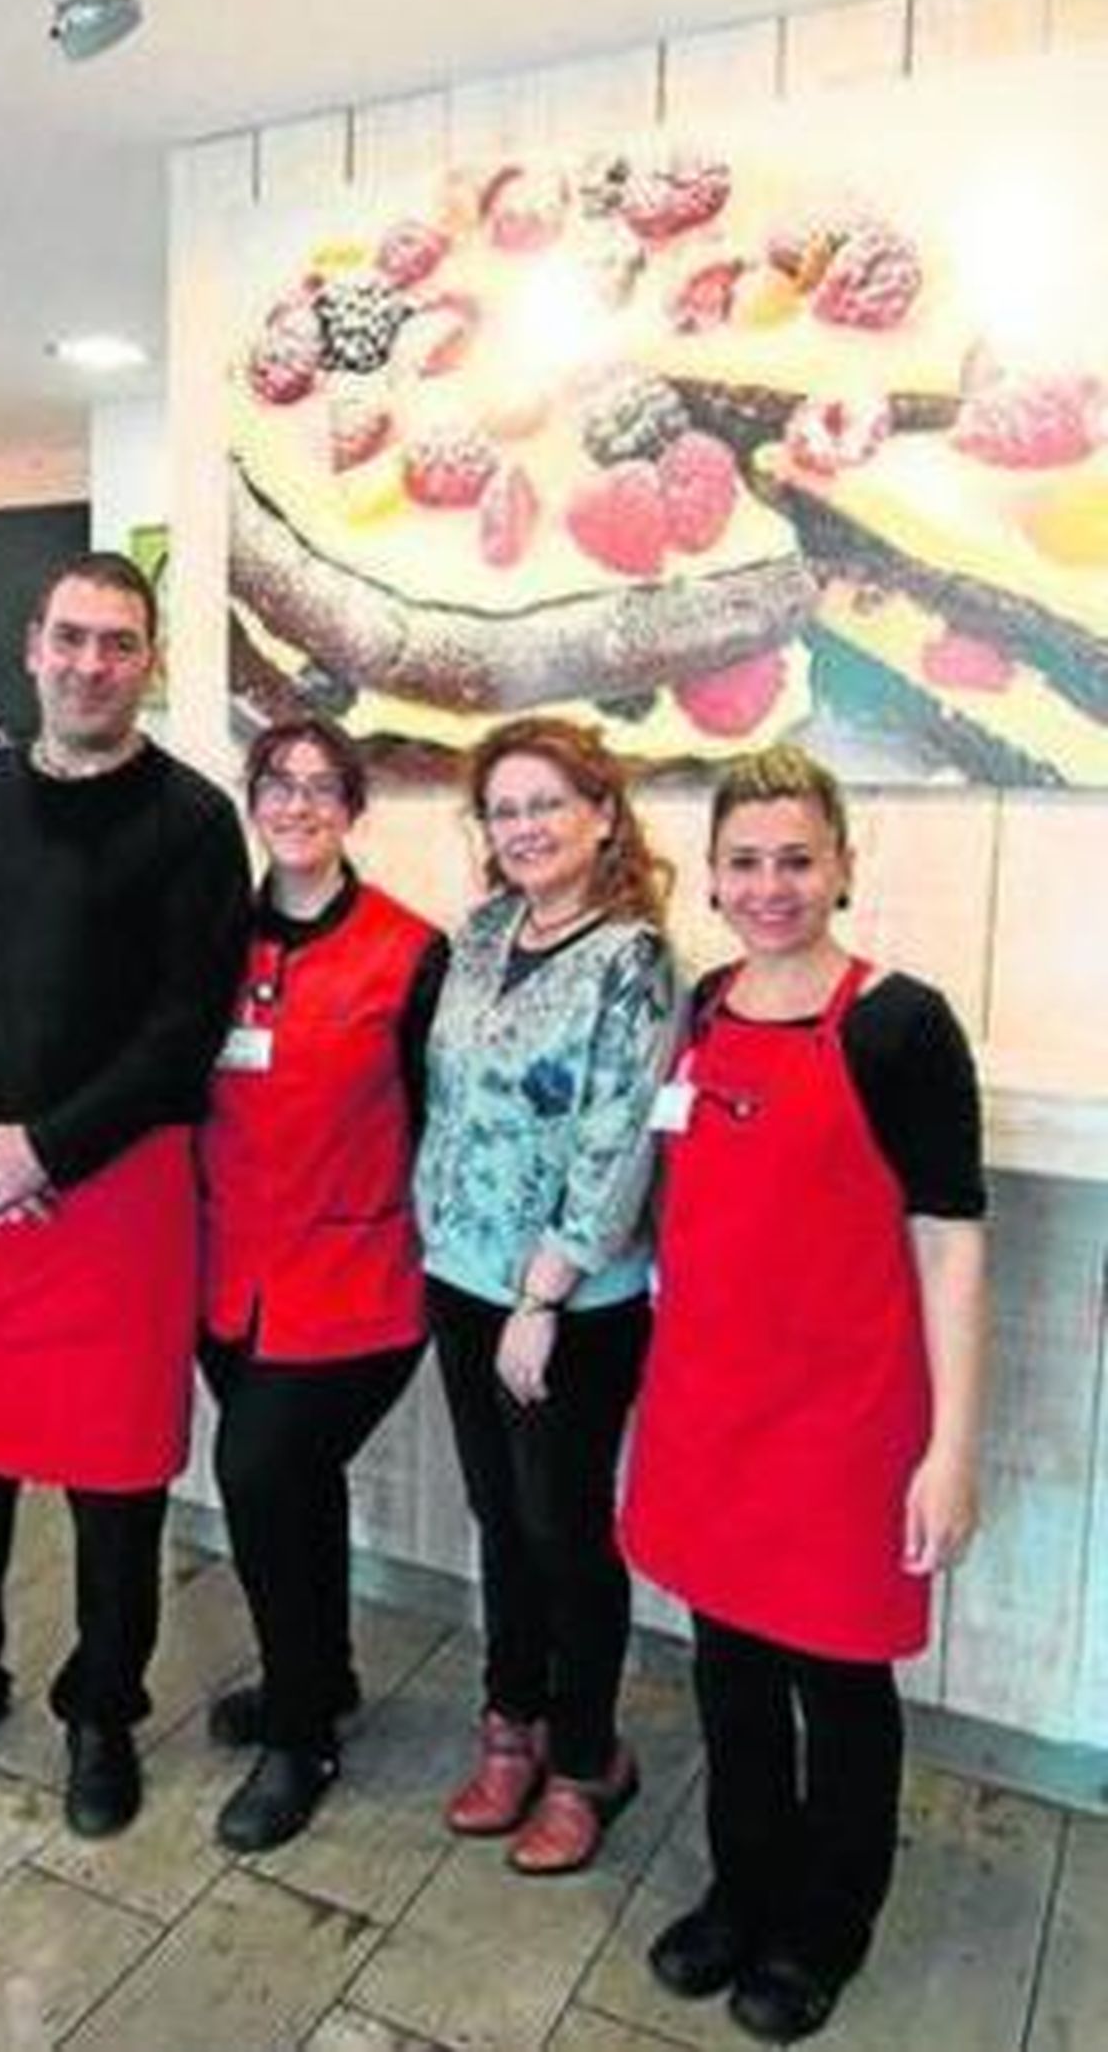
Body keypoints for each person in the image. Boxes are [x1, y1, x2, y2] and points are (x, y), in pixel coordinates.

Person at [0, 551, 250, 1839]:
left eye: (118, 644)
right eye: (71, 638)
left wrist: (50, 1150)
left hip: (119, 1190)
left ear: (149, 662)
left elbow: (184, 1028)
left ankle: (100, 1714)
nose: (90, 664)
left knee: (115, 1479)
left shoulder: (191, 821)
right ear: (32, 647)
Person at [621, 746, 988, 2045]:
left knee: (837, 1683)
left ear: (842, 864)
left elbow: (950, 1240)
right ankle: (743, 1881)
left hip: (847, 1425)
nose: (771, 885)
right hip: (711, 1409)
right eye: (746, 861)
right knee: (725, 1667)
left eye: (796, 859)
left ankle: (828, 1920)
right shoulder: (705, 1003)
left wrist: (951, 1445)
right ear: (712, 878)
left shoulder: (899, 1025)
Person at [415, 716, 677, 1875]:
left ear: (602, 814)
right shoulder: (478, 935)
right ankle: (508, 1728)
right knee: (498, 1520)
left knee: (565, 1530)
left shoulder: (632, 958)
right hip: (459, 1277)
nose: (523, 827)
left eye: (546, 804)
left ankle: (586, 1760)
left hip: (567, 1301)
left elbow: (618, 1140)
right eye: (504, 809)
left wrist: (546, 1292)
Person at [196, 718, 447, 1853]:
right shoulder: (206, 939)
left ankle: (302, 1736)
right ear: (254, 800)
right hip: (227, 1279)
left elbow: (444, 1130)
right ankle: (325, 1675)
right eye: (276, 785)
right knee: (293, 1490)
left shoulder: (408, 952)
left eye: (319, 787)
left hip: (357, 1285)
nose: (296, 804)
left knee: (256, 1475)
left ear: (353, 806)